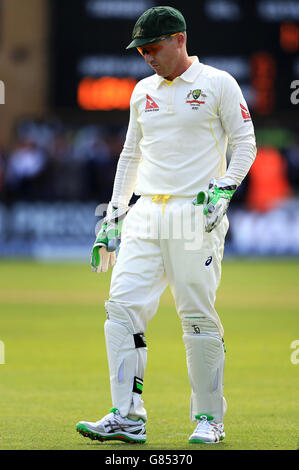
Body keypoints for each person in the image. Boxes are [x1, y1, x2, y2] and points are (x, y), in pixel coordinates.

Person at [76, 6, 256, 444]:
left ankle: (210, 418)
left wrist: (225, 188)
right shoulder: (143, 91)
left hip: (194, 214)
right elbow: (131, 155)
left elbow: (246, 142)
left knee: (196, 317)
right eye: (141, 52)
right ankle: (127, 415)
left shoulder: (218, 83)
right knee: (120, 310)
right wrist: (115, 214)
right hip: (145, 212)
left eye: (153, 48)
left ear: (179, 38)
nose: (148, 58)